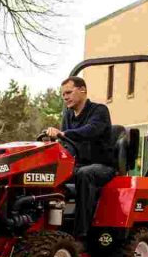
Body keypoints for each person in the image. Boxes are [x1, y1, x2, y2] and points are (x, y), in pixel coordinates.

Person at [45, 76, 117, 239]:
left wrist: (63, 133)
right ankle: (50, 228)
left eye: (69, 92)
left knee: (84, 174)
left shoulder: (99, 111)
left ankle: (80, 234)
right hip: (77, 165)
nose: (65, 97)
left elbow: (91, 130)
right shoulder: (68, 116)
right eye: (63, 94)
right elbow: (65, 144)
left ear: (82, 90)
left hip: (103, 166)